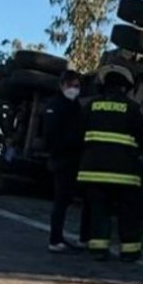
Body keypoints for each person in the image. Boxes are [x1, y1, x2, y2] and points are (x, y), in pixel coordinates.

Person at [77, 65, 143, 263]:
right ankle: (130, 252)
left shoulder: (90, 106)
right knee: (128, 213)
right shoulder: (132, 109)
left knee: (99, 211)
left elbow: (77, 135)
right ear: (125, 88)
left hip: (93, 171)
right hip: (124, 174)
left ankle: (98, 250)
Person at [44, 70, 90, 254]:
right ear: (62, 85)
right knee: (61, 201)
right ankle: (55, 239)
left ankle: (82, 238)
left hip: (76, 159)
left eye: (77, 86)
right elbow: (52, 135)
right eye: (71, 85)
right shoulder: (55, 105)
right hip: (63, 159)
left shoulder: (75, 106)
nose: (73, 89)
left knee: (79, 199)